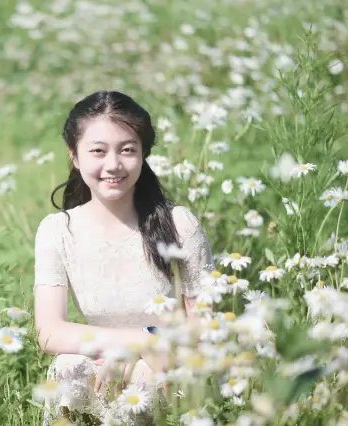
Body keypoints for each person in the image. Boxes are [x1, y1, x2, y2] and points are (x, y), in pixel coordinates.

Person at [33, 90, 214, 425]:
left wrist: (150, 351)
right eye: (98, 151)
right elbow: (49, 331)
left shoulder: (179, 225)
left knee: (148, 373)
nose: (113, 165)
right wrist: (136, 342)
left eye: (127, 150)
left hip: (170, 363)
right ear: (74, 156)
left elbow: (203, 325)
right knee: (67, 366)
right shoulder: (57, 230)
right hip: (106, 362)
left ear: (143, 155)